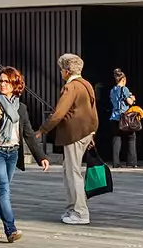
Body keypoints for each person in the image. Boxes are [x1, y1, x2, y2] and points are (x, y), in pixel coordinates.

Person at [0, 66, 48, 242]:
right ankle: (11, 230)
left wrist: (41, 156)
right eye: (1, 81)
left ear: (15, 85)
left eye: (7, 81)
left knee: (0, 189)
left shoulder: (21, 108)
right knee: (4, 188)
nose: (3, 84)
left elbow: (28, 133)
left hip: (12, 153)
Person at [38, 53, 99, 225]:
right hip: (85, 133)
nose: (60, 73)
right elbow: (93, 111)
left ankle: (80, 212)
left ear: (66, 71)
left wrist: (43, 129)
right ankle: (73, 209)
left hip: (74, 134)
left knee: (73, 173)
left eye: (61, 69)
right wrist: (92, 132)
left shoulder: (71, 87)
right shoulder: (86, 84)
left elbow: (59, 112)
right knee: (70, 171)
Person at [108, 69, 141, 167]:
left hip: (114, 117)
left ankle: (116, 162)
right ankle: (131, 162)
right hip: (125, 117)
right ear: (123, 79)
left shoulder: (112, 90)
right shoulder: (124, 89)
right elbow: (130, 102)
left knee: (116, 139)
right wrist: (133, 99)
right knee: (131, 138)